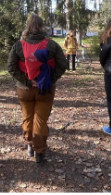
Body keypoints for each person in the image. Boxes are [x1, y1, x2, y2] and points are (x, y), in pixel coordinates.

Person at [8, 14, 69, 163]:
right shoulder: (52, 44)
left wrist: (28, 83)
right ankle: (39, 152)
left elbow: (11, 67)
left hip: (24, 89)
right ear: (42, 27)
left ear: (28, 27)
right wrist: (49, 80)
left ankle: (30, 144)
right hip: (45, 89)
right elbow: (63, 65)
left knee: (27, 116)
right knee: (40, 119)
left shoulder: (18, 45)